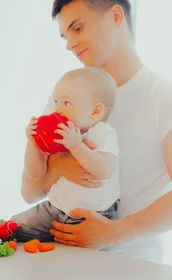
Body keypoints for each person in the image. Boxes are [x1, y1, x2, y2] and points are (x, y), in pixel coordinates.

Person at [21, 0, 172, 262]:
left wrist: (112, 232)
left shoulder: (171, 101)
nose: (70, 44)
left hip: (132, 272)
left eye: (77, 28)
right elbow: (29, 193)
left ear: (116, 16)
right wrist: (60, 169)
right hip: (60, 263)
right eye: (65, 37)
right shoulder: (62, 99)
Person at [13, 66, 120, 242]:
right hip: (56, 208)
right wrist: (33, 142)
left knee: (81, 254)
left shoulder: (102, 133)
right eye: (56, 102)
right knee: (14, 227)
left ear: (95, 112)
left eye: (66, 103)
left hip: (95, 214)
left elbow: (104, 170)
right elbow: (36, 172)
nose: (57, 110)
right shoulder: (58, 134)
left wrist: (77, 146)